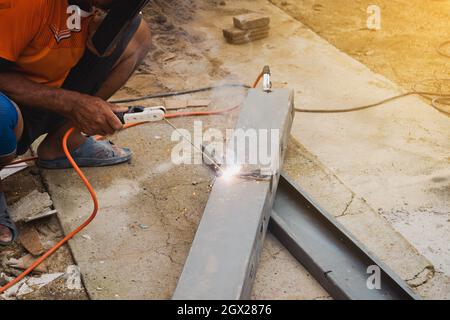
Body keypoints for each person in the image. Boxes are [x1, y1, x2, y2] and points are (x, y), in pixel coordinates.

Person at [0, 0, 152, 245]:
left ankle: (63, 142)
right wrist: (73, 103)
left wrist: (106, 21)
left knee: (137, 33)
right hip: (11, 102)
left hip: (49, 85)